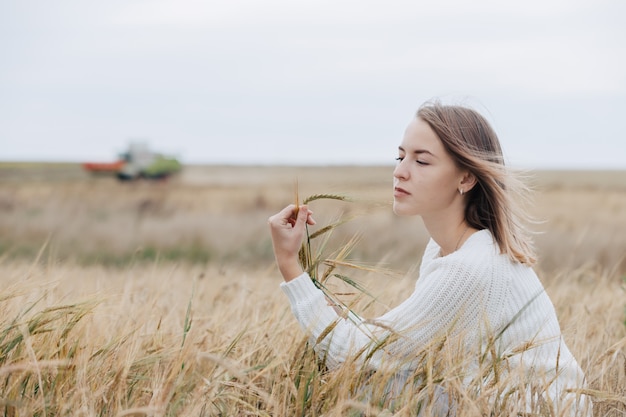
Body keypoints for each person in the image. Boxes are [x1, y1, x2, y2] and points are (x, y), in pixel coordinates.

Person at [267, 101, 591, 416]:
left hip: (537, 410)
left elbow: (353, 355)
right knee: (384, 384)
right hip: (496, 402)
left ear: (466, 178)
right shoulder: (447, 247)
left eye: (421, 162)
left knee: (366, 386)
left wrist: (289, 264)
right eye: (400, 156)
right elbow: (394, 347)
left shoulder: (469, 267)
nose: (399, 172)